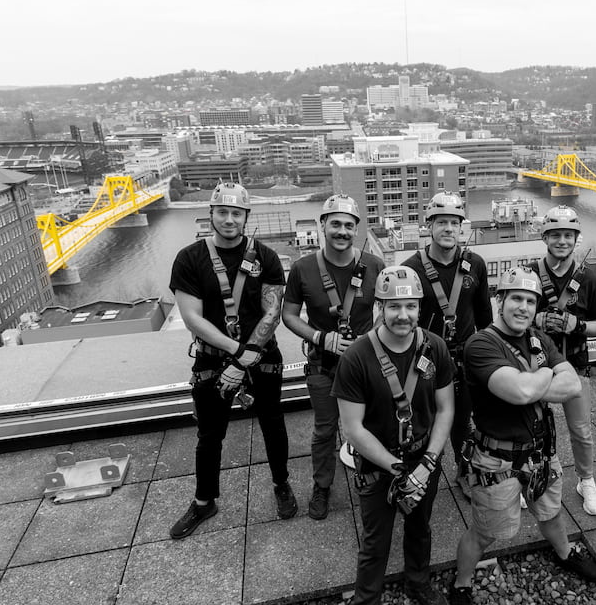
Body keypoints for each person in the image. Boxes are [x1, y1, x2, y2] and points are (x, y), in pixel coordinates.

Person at [448, 266, 596, 605]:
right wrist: (547, 374)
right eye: (515, 298)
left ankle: (565, 552)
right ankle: (461, 585)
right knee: (485, 532)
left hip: (541, 453)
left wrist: (535, 381)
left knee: (550, 513)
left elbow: (574, 386)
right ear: (499, 301)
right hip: (497, 458)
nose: (523, 307)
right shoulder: (482, 344)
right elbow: (519, 392)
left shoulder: (537, 339)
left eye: (530, 301)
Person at [333, 265, 455, 605]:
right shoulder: (357, 358)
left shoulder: (434, 347)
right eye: (394, 307)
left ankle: (418, 580)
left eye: (410, 306)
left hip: (424, 456)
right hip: (380, 462)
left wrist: (429, 462)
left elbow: (445, 409)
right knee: (375, 543)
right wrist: (398, 469)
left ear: (419, 308)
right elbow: (352, 428)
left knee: (420, 526)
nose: (403, 315)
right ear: (380, 308)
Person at [168, 182, 296, 539]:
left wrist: (243, 360)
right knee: (209, 434)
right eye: (222, 212)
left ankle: (281, 484)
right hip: (214, 359)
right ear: (210, 214)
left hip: (260, 356)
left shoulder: (265, 257)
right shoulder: (190, 258)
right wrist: (236, 351)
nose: (228, 219)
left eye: (236, 213)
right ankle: (204, 500)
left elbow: (272, 313)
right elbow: (192, 318)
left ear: (245, 217)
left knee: (273, 423)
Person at [283, 194, 386, 520]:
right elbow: (288, 315)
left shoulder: (373, 266)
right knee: (325, 430)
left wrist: (373, 338)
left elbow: (386, 310)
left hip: (364, 364)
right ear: (323, 226)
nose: (342, 231)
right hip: (322, 364)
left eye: (349, 225)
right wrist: (320, 337)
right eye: (336, 224)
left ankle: (373, 477)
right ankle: (322, 486)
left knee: (371, 425)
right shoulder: (302, 269)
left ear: (356, 230)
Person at [401, 191, 491, 500]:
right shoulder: (410, 268)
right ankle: (416, 469)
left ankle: (463, 470)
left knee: (463, 420)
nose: (449, 229)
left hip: (464, 356)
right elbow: (402, 321)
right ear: (429, 226)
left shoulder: (474, 264)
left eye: (455, 222)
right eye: (441, 222)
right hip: (425, 357)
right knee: (420, 417)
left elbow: (484, 317)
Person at [532, 205, 596, 516]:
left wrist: (575, 326)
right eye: (555, 235)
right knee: (533, 427)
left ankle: (586, 480)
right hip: (538, 363)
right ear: (545, 237)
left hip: (576, 364)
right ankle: (531, 476)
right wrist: (537, 318)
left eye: (568, 235)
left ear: (576, 239)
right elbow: (510, 317)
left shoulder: (589, 279)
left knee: (580, 429)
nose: (562, 241)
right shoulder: (529, 273)